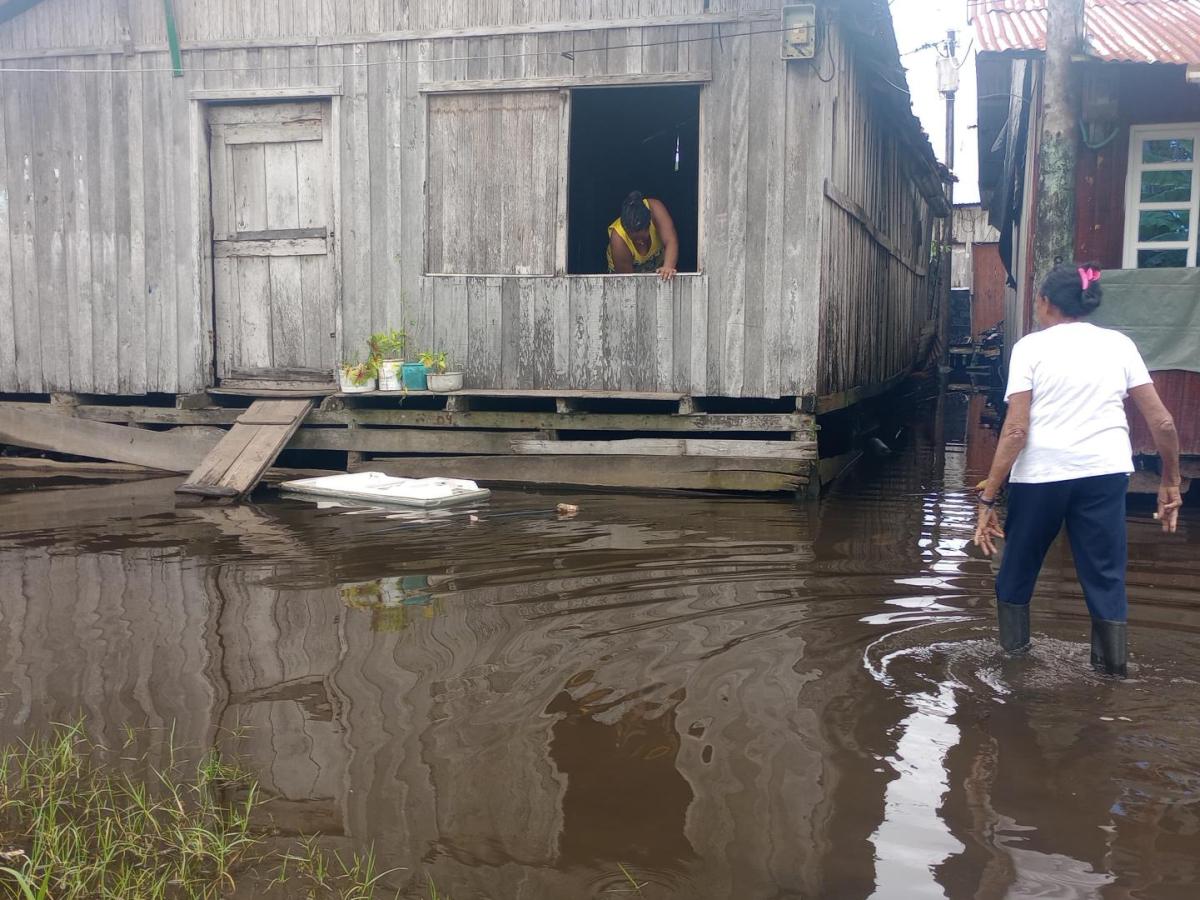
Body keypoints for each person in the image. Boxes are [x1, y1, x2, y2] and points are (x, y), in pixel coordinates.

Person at [973, 261, 1182, 677]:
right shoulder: (1119, 345)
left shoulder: (1031, 348)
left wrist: (988, 495)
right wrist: (1170, 480)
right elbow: (1163, 423)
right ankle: (1112, 675)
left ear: (1046, 303)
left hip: (1042, 476)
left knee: (1017, 570)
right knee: (1104, 577)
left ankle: (1013, 667)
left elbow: (1016, 429)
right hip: (1104, 473)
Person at [606, 191, 679, 281]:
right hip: (628, 272)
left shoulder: (656, 209)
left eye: (643, 238)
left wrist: (668, 268)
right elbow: (628, 282)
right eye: (635, 240)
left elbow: (671, 241)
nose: (641, 243)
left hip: (657, 266)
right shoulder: (618, 240)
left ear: (649, 224)